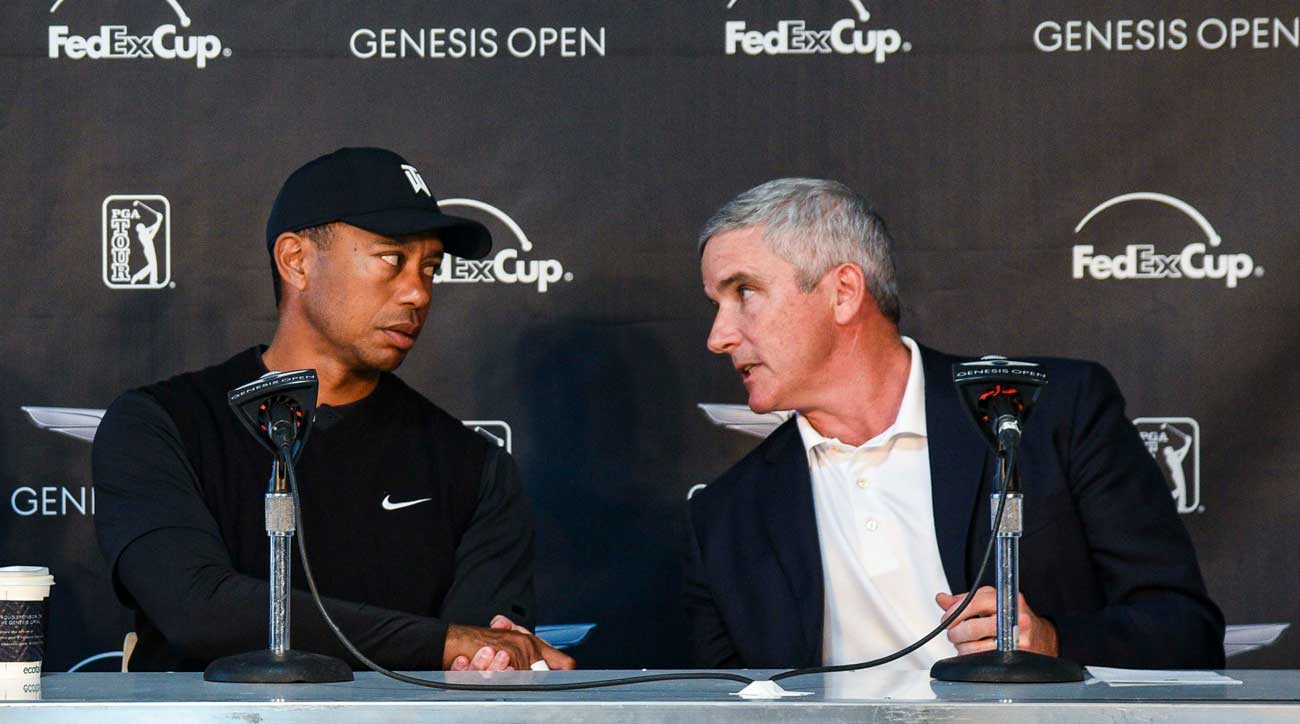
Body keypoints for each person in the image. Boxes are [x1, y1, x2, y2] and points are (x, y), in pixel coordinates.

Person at [685, 178, 1224, 670]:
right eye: (717, 303)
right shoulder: (726, 517)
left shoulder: (1050, 415)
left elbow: (1186, 636)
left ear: (843, 292)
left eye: (745, 293)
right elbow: (715, 704)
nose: (719, 336)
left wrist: (1052, 643)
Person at [93, 147, 574, 673]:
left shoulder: (474, 468)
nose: (418, 291)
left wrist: (481, 658)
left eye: (430, 267)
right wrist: (442, 643)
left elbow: (481, 658)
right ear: (296, 261)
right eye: (391, 259)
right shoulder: (162, 425)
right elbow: (197, 608)